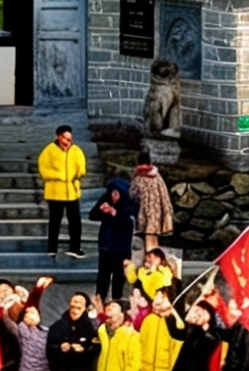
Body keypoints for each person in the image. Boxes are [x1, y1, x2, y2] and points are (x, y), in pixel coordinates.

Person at [38, 126, 87, 261]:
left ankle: (75, 248)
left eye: (70, 139)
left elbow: (81, 166)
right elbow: (44, 170)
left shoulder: (76, 151)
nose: (68, 142)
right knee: (55, 222)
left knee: (75, 222)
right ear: (59, 136)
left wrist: (79, 172)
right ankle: (52, 249)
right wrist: (60, 176)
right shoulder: (49, 151)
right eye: (65, 138)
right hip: (55, 193)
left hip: (72, 192)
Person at [91, 174, 133, 303]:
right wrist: (101, 210)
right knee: (103, 275)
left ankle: (116, 301)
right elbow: (92, 215)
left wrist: (116, 214)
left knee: (118, 276)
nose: (114, 196)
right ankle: (99, 301)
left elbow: (130, 223)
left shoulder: (128, 203)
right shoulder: (106, 198)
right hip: (106, 245)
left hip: (122, 247)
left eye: (117, 194)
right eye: (113, 193)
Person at [130, 162, 173, 255]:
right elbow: (164, 195)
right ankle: (155, 258)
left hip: (144, 213)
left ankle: (150, 258)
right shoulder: (157, 177)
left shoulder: (139, 178)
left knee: (149, 238)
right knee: (153, 238)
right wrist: (167, 212)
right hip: (157, 214)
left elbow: (133, 195)